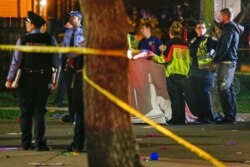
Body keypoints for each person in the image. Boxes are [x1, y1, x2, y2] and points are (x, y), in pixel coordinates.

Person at [5, 11, 61, 151]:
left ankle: (26, 143)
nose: (26, 25)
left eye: (27, 23)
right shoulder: (50, 39)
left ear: (32, 24)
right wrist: (56, 80)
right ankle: (40, 143)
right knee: (40, 112)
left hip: (26, 80)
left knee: (26, 112)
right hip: (44, 79)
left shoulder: (23, 40)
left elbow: (16, 62)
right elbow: (57, 62)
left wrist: (9, 79)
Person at [151, 21, 191, 125]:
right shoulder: (186, 44)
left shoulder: (170, 43)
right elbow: (190, 60)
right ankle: (182, 118)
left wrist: (153, 57)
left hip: (173, 75)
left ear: (170, 32)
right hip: (184, 75)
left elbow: (165, 59)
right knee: (181, 97)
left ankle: (175, 118)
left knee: (175, 98)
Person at [209, 8, 244, 124]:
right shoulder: (230, 28)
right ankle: (232, 114)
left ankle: (229, 116)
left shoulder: (229, 29)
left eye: (220, 16)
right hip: (229, 61)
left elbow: (225, 46)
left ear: (225, 16)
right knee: (229, 88)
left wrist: (215, 60)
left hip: (226, 62)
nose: (218, 18)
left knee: (223, 88)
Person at [186, 20, 218, 124]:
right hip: (195, 71)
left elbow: (219, 48)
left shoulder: (209, 39)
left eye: (203, 27)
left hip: (205, 71)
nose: (201, 29)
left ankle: (208, 117)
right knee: (197, 94)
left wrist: (214, 61)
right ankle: (200, 116)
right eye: (199, 27)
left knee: (204, 93)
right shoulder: (194, 40)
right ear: (195, 30)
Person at [62, 10, 85, 152]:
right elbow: (65, 50)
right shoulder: (68, 33)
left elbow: (75, 52)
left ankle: (78, 144)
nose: (70, 19)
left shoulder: (84, 37)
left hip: (81, 74)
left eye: (73, 17)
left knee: (82, 113)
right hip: (73, 69)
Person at [54, 20, 73, 107]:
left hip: (60, 58)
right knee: (65, 81)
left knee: (63, 81)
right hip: (64, 58)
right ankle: (59, 101)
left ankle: (59, 100)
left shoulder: (59, 32)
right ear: (67, 24)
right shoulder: (66, 33)